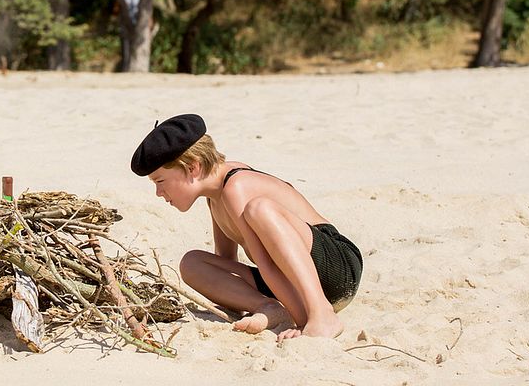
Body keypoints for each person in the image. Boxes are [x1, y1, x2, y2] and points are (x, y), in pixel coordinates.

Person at [131, 114, 362, 341]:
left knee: (259, 209)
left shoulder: (236, 187)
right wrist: (232, 299)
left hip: (335, 268)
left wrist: (301, 321)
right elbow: (226, 261)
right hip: (291, 282)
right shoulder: (215, 196)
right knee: (192, 263)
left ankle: (321, 314)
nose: (158, 193)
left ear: (193, 167)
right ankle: (269, 307)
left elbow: (267, 264)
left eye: (160, 181)